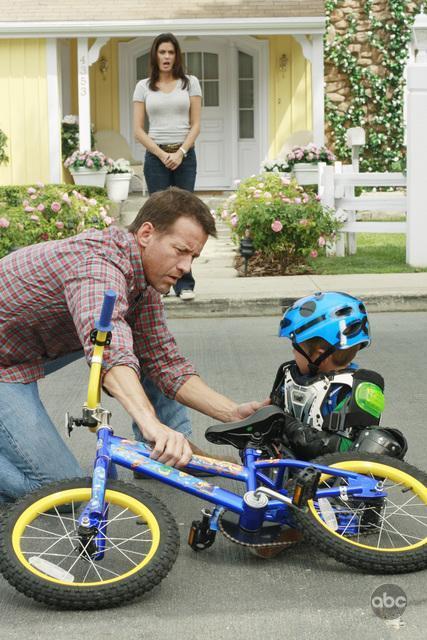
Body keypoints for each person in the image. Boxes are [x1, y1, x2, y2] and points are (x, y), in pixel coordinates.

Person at [0, 187, 265, 504]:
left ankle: (164, 456)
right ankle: (161, 440)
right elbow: (109, 351)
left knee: (142, 348)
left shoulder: (144, 280)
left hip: (23, 348)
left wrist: (233, 413)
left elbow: (165, 362)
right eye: (180, 250)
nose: (185, 267)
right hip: (6, 363)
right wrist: (151, 424)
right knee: (67, 493)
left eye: (192, 257)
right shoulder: (98, 267)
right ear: (146, 233)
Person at [270, 291, 407, 460]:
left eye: (296, 347)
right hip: (283, 464)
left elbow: (340, 452)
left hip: (330, 479)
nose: (292, 351)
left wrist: (284, 423)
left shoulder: (359, 388)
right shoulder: (288, 373)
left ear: (318, 354)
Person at [133, 32, 201, 300]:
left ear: (177, 56)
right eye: (162, 52)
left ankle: (185, 283)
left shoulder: (190, 83)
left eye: (171, 52)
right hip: (156, 158)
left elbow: (196, 124)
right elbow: (139, 130)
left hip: (185, 156)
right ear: (155, 55)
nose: (166, 57)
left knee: (186, 219)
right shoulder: (143, 87)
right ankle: (156, 284)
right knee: (160, 221)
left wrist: (182, 151)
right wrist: (162, 154)